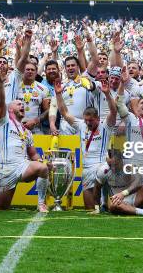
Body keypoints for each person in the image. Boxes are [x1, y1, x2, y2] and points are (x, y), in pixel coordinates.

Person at [54, 75, 116, 210]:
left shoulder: (106, 126)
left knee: (108, 205)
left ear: (98, 118)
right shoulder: (81, 125)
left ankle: (105, 200)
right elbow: (64, 113)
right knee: (90, 209)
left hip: (102, 167)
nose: (88, 123)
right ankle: (100, 206)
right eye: (86, 120)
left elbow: (113, 111)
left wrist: (107, 94)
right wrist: (58, 94)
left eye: (91, 121)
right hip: (86, 170)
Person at [0, 63, 50, 212]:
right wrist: (0, 84)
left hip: (23, 166)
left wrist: (42, 160)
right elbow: (0, 101)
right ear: (10, 108)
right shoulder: (3, 121)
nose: (22, 105)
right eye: (19, 103)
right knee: (2, 208)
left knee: (42, 168)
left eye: (23, 104)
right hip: (6, 170)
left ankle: (41, 203)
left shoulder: (27, 132)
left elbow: (32, 154)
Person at [99, 150, 143, 217]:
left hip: (136, 198)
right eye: (110, 165)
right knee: (112, 206)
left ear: (121, 160)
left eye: (115, 164)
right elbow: (97, 188)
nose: (113, 168)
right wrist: (99, 206)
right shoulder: (103, 170)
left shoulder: (129, 165)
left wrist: (124, 193)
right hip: (119, 203)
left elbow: (140, 182)